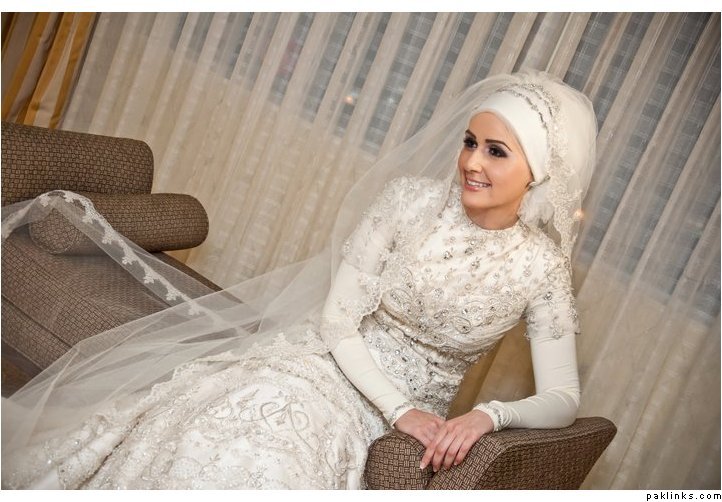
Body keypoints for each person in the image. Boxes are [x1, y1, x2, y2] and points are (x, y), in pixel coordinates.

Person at [0, 69, 597, 489]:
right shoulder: (408, 202)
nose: (471, 162)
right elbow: (338, 320)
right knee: (241, 416)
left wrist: (490, 416)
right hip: (322, 362)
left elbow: (563, 399)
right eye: (470, 142)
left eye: (496, 151)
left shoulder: (540, 267)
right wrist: (399, 411)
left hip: (390, 412)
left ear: (540, 173)